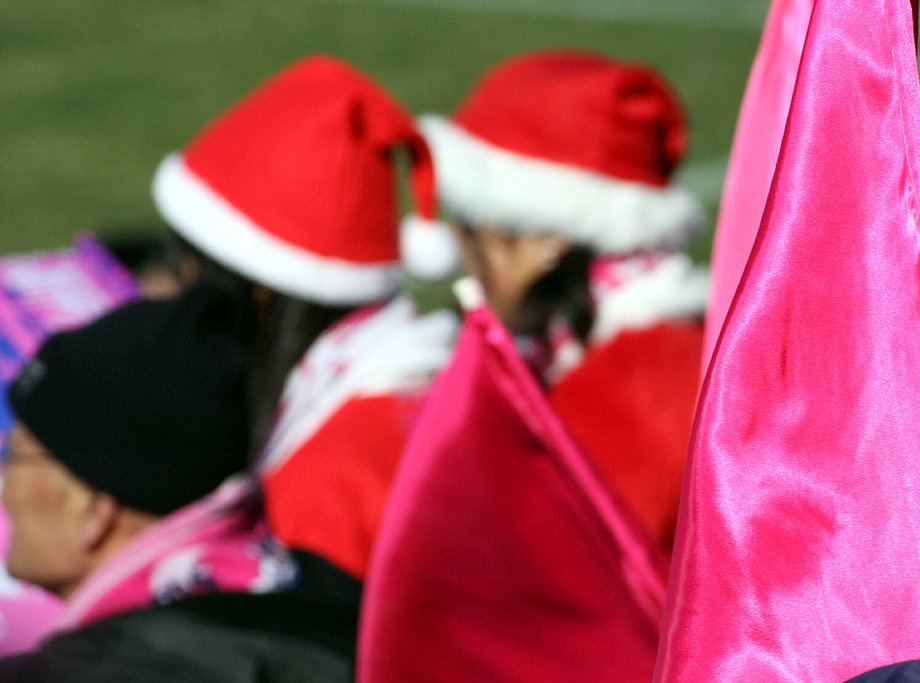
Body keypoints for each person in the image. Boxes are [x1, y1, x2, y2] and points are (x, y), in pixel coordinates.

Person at [152, 55, 458, 582]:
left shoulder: (324, 485)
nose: (177, 297)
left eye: (188, 270)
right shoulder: (409, 385)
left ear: (260, 292)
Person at [416, 49, 708, 551]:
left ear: (546, 242)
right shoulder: (623, 352)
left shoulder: (629, 400)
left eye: (470, 228)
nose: (459, 253)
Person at [0, 285, 355, 681]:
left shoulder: (96, 671)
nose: (3, 487)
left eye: (14, 457)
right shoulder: (330, 597)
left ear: (96, 511)